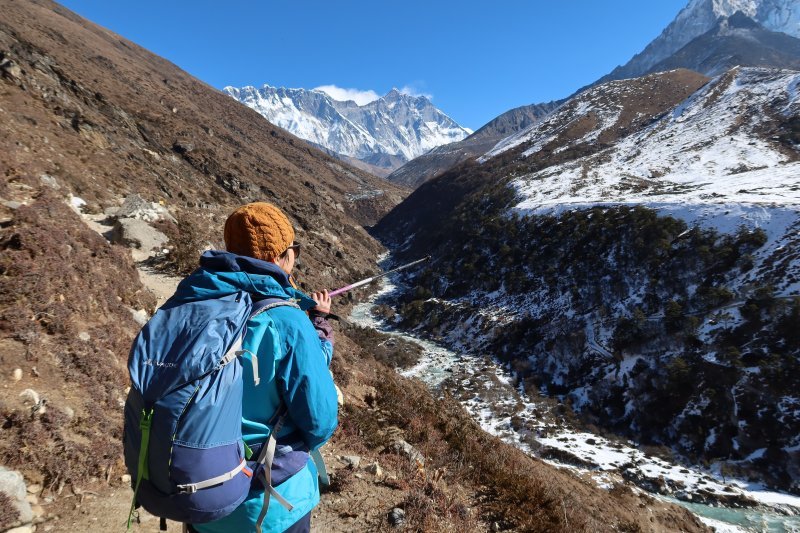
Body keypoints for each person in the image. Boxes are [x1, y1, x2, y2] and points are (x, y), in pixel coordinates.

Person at [184, 202, 339, 533]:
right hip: (268, 506)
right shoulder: (287, 321)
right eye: (293, 248)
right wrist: (320, 325)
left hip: (196, 495)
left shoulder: (193, 302)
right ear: (280, 257)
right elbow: (321, 421)